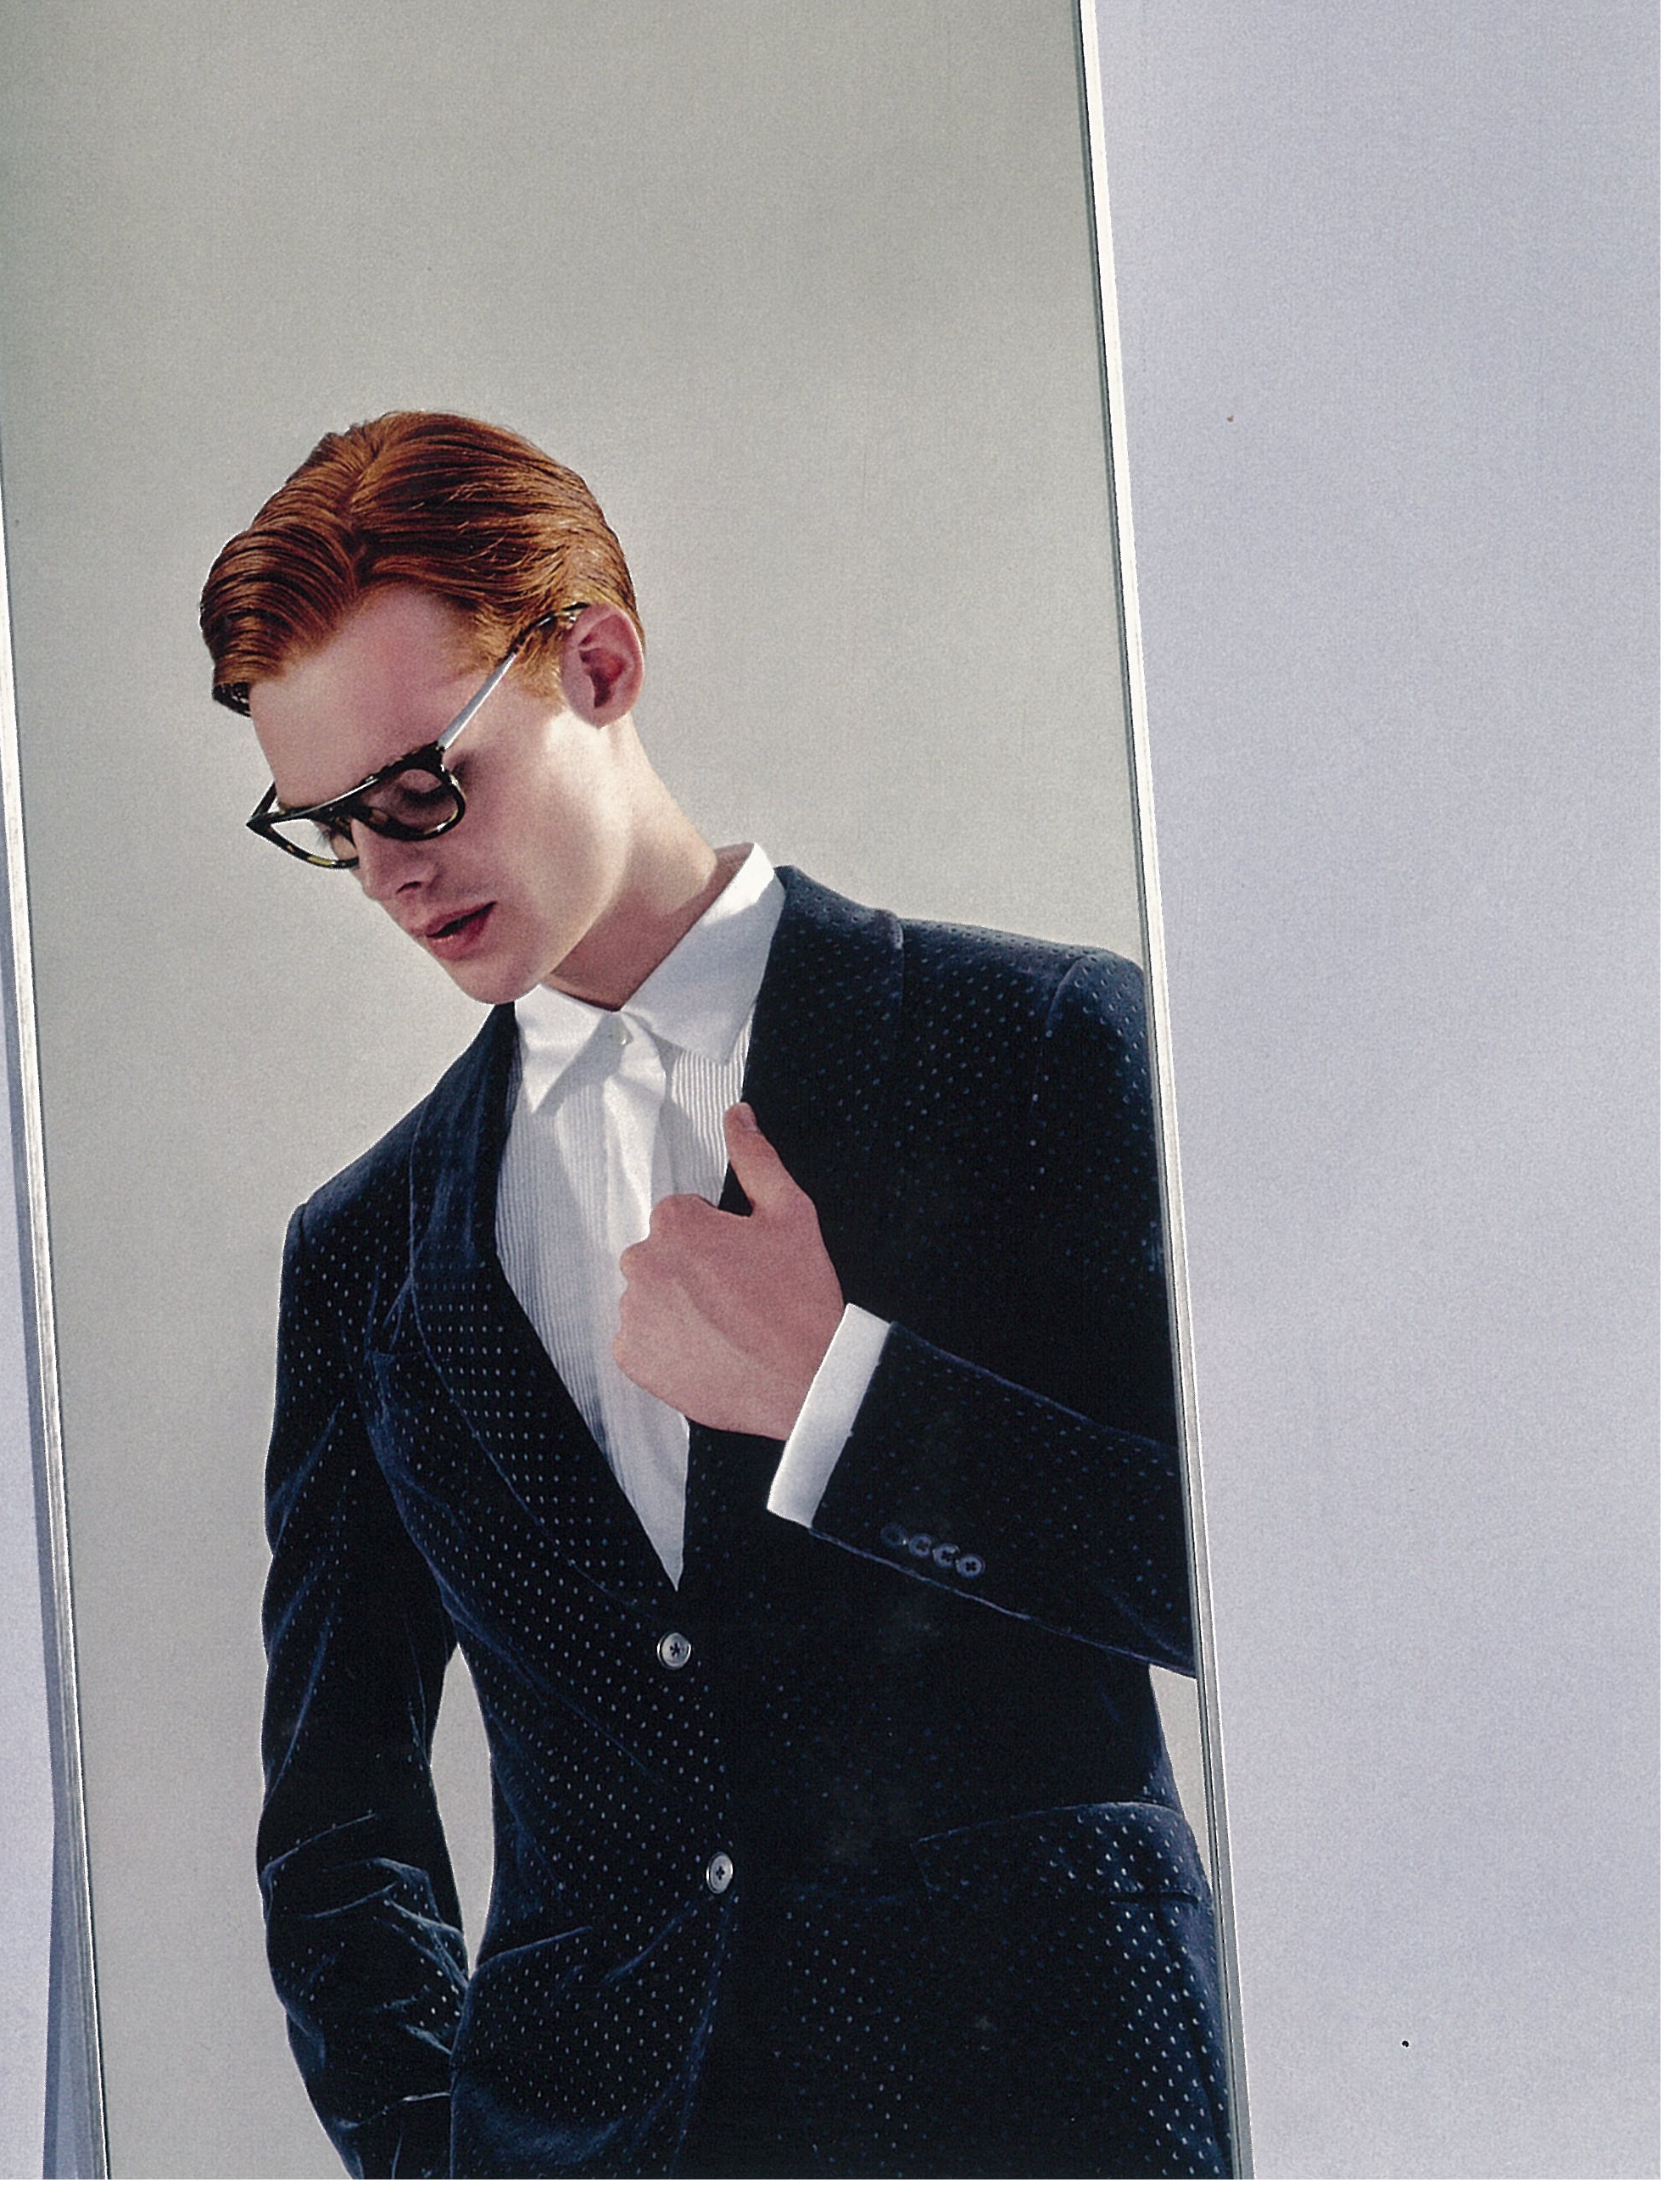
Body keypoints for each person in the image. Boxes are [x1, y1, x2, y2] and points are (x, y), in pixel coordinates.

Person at [200, 410, 1231, 2180]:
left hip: (1047, 2115)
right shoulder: (360, 1248)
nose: (389, 869)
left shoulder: (1036, 1048)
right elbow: (336, 1809)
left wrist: (845, 1397)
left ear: (596, 666)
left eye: (422, 787)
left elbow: (1266, 1598)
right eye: (331, 826)